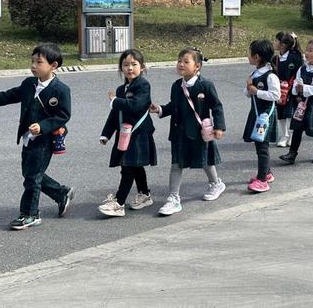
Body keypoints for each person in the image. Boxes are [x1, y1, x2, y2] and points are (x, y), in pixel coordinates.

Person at [0, 43, 74, 230]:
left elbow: (63, 116)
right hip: (28, 138)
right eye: (32, 61)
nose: (34, 65)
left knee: (32, 178)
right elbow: (8, 96)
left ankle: (30, 214)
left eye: (39, 62)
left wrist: (42, 127)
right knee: (30, 174)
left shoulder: (61, 90)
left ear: (54, 65)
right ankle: (61, 193)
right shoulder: (29, 83)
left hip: (44, 140)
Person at [150, 48, 226, 216]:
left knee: (205, 160)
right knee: (177, 164)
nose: (181, 64)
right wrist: (160, 109)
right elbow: (174, 106)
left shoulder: (205, 85)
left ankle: (216, 183)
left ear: (197, 66)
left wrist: (219, 127)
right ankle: (173, 198)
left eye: (186, 61)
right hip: (179, 133)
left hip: (199, 132)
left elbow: (217, 106)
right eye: (179, 61)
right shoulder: (176, 86)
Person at [97, 49, 156, 217]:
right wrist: (106, 134)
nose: (130, 68)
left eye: (134, 64)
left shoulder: (143, 85)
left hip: (139, 134)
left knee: (128, 167)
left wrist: (115, 100)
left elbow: (136, 105)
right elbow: (115, 114)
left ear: (142, 67)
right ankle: (145, 194)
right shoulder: (121, 88)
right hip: (125, 134)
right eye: (126, 64)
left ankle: (119, 203)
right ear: (121, 68)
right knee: (135, 166)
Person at [279, 38, 313, 165]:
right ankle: (292, 153)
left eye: (310, 50)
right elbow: (296, 82)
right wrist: (296, 90)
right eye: (306, 50)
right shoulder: (302, 69)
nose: (307, 53)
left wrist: (306, 88)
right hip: (302, 105)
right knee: (297, 128)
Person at [243, 40, 280, 193]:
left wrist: (256, 91)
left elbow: (275, 95)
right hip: (256, 114)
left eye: (249, 53)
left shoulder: (270, 76)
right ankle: (267, 173)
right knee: (259, 145)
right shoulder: (255, 73)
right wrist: (248, 88)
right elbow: (247, 93)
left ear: (257, 57)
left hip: (265, 116)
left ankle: (262, 180)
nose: (248, 56)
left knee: (262, 147)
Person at [272, 32, 303, 148]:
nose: (274, 43)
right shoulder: (275, 59)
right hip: (279, 91)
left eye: (276, 41)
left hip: (291, 90)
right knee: (280, 114)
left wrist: (294, 87)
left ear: (283, 44)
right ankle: (284, 135)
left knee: (290, 114)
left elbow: (300, 73)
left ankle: (291, 135)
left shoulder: (295, 57)